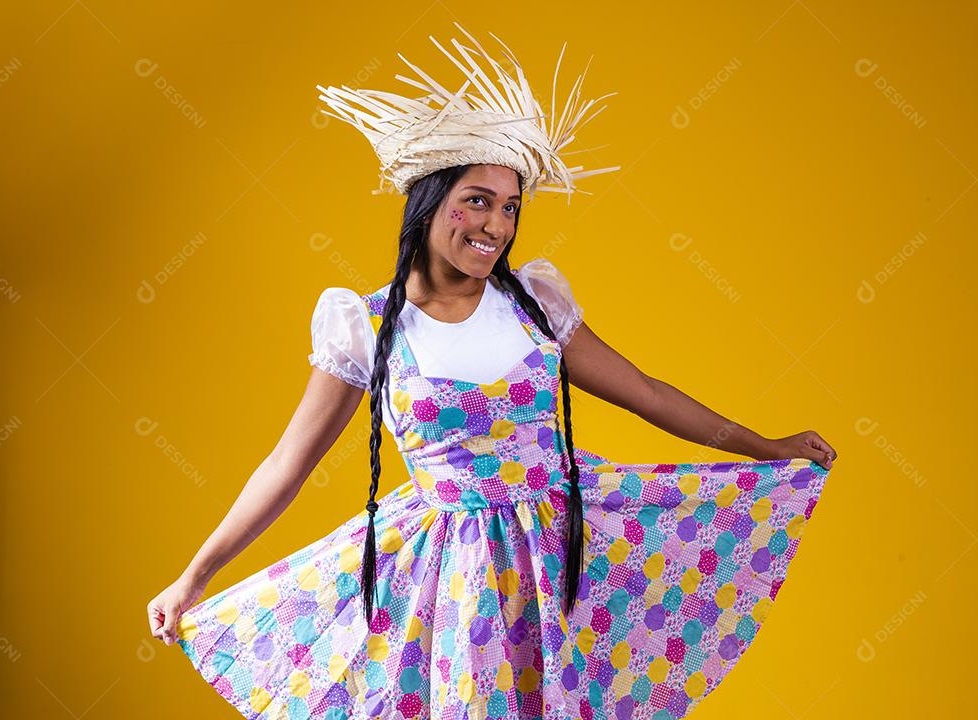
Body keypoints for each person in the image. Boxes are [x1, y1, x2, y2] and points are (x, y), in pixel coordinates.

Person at [148, 25, 837, 720]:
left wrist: (766, 447)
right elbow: (287, 464)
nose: (497, 225)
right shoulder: (367, 326)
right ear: (427, 201)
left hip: (563, 560)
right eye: (478, 199)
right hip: (449, 582)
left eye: (510, 207)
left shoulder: (534, 305)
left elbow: (647, 395)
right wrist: (193, 578)